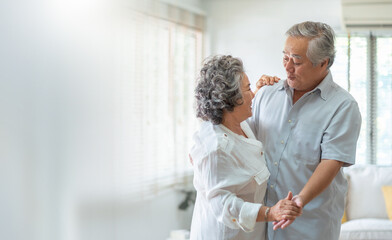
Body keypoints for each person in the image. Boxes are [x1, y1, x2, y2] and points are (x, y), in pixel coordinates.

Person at [249, 21, 362, 239]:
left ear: (323, 63)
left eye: (297, 61)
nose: (287, 67)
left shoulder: (342, 106)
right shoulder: (266, 94)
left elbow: (332, 161)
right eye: (285, 57)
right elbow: (244, 140)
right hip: (262, 222)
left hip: (310, 225)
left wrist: (300, 199)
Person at [189, 55, 302, 240]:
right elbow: (223, 205)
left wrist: (259, 88)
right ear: (230, 99)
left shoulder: (237, 124)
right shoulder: (215, 147)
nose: (253, 95)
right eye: (247, 89)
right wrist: (270, 213)